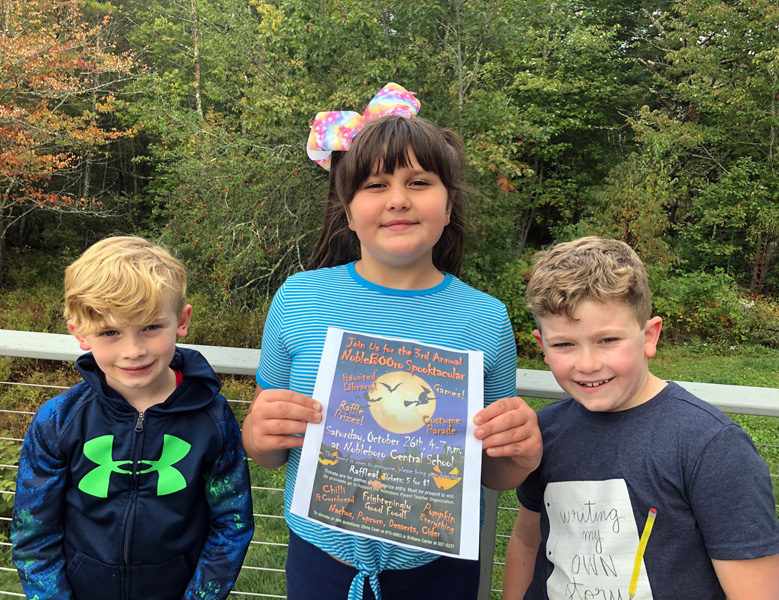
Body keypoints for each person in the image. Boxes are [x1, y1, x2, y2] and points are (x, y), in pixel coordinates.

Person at [242, 83, 542, 600]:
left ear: (449, 207)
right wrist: (258, 434)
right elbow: (268, 451)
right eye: (376, 184)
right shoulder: (298, 299)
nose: (398, 199)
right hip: (320, 562)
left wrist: (521, 455)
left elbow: (492, 471)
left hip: (439, 571)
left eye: (419, 181)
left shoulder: (486, 320)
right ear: (347, 208)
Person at [502, 236, 779, 600]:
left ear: (649, 336)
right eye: (564, 344)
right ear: (542, 348)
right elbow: (528, 540)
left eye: (608, 340)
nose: (587, 364)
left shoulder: (712, 446)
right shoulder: (546, 431)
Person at [11, 236, 254, 600]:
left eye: (151, 327)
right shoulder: (58, 421)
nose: (133, 351)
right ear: (79, 333)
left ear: (182, 321)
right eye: (110, 332)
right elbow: (34, 533)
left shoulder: (214, 420)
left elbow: (231, 524)